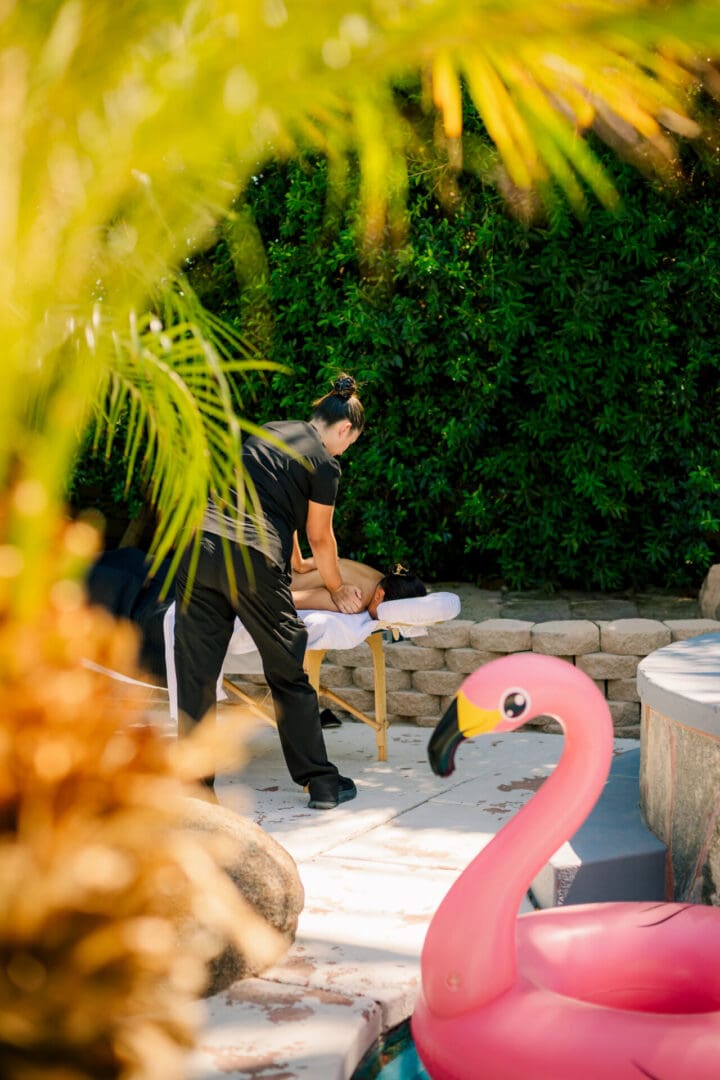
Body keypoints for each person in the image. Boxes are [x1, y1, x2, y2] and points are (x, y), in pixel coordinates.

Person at [173, 373, 365, 809]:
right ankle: (321, 782)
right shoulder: (325, 464)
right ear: (344, 429)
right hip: (252, 557)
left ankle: (196, 793)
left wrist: (295, 565)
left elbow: (270, 500)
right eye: (348, 444)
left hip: (197, 545)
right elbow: (321, 536)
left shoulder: (272, 431)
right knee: (287, 670)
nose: (344, 451)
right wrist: (335, 588)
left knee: (197, 675)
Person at [291, 558, 426, 617]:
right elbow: (292, 599)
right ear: (379, 595)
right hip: (280, 580)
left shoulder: (380, 578)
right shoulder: (355, 598)